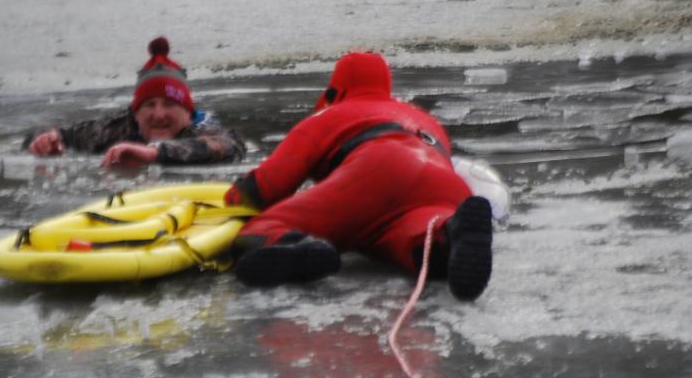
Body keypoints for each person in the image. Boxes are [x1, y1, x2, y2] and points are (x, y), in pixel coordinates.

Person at [224, 51, 494, 301]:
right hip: (445, 186)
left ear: (335, 88)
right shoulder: (424, 119)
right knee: (417, 244)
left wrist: (236, 195)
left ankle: (299, 248)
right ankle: (449, 233)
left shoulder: (329, 115)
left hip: (375, 170)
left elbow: (269, 186)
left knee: (257, 231)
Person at [27, 37, 246, 167]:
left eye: (169, 104)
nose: (159, 115)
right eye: (149, 105)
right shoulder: (119, 127)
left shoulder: (201, 129)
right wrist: (48, 140)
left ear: (188, 112)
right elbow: (62, 134)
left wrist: (154, 153)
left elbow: (230, 145)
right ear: (136, 113)